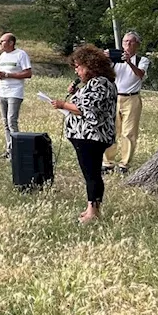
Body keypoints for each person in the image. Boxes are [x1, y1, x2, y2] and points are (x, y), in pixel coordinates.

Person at [51, 45, 117, 224]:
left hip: (91, 136)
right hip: (86, 136)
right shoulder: (95, 84)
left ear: (90, 66)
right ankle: (91, 207)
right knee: (91, 173)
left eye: (79, 66)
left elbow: (87, 110)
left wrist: (62, 104)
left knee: (92, 174)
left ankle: (93, 212)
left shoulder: (99, 83)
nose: (77, 71)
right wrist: (75, 93)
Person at [103, 31, 151, 174]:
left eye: (131, 42)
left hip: (132, 98)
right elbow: (103, 73)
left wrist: (129, 62)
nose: (127, 44)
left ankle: (124, 164)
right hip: (114, 97)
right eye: (125, 41)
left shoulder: (142, 60)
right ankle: (107, 163)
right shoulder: (115, 59)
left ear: (137, 44)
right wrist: (105, 58)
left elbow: (140, 75)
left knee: (129, 132)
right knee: (111, 130)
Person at [0, 32, 32, 159]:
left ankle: (17, 150)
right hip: (2, 92)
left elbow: (28, 73)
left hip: (15, 92)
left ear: (11, 43)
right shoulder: (2, 57)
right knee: (5, 122)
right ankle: (9, 150)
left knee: (12, 121)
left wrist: (7, 75)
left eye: (2, 41)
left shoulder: (20, 55)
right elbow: (0, 72)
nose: (0, 43)